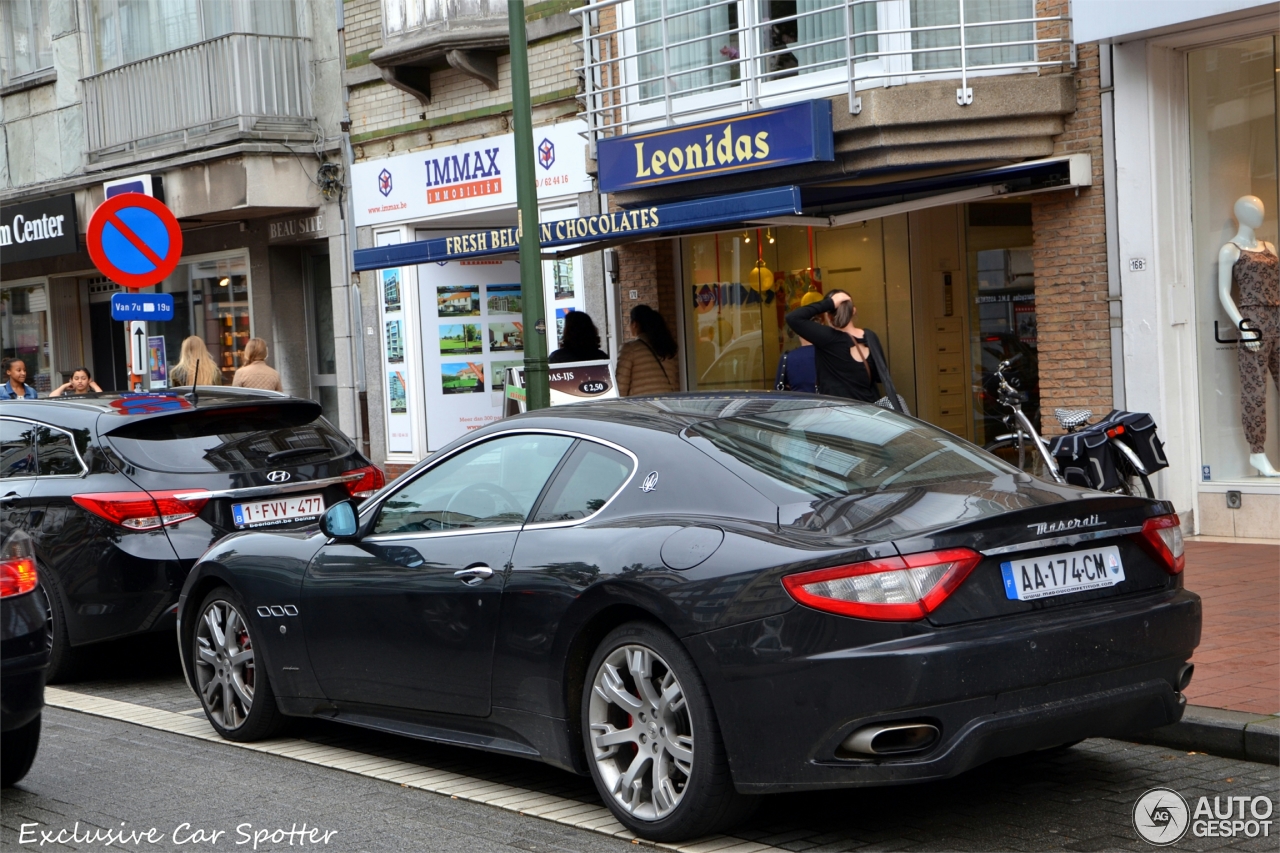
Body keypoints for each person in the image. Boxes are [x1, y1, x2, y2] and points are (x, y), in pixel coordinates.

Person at [785, 290, 903, 410]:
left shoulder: (827, 338)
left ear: (828, 315)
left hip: (839, 417)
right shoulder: (869, 336)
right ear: (854, 310)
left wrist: (828, 303)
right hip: (870, 414)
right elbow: (879, 376)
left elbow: (793, 317)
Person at [616, 304, 678, 396]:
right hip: (665, 405)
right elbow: (672, 384)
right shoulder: (666, 348)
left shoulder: (630, 349)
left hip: (641, 407)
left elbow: (621, 387)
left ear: (634, 324)